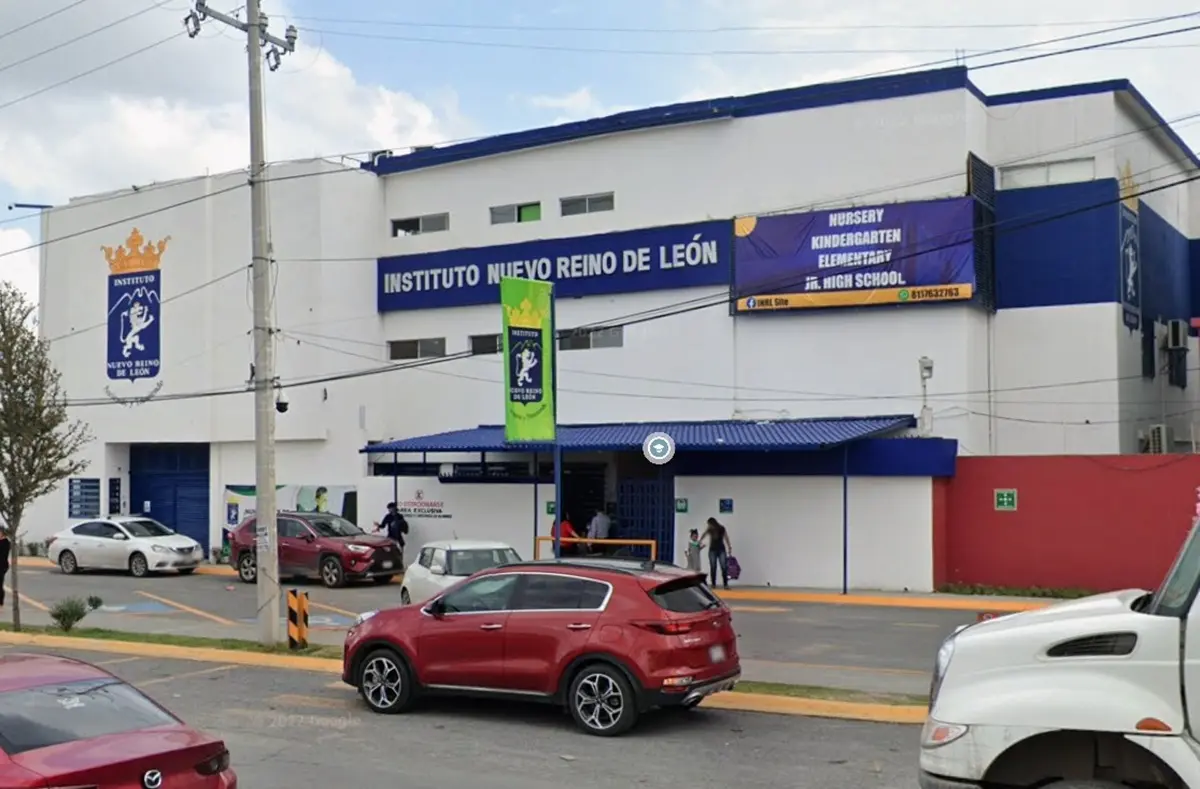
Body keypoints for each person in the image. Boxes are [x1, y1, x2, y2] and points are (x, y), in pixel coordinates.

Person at [701, 517, 732, 589]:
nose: (708, 526)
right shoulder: (710, 529)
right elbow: (704, 534)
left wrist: (729, 547)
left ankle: (725, 584)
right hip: (712, 550)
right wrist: (699, 541)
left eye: (709, 524)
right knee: (713, 567)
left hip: (721, 549)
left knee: (724, 567)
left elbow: (726, 537)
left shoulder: (721, 528)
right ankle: (713, 584)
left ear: (712, 523)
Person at [0, 531, 9, 607]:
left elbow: (3, 555)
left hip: (2, 566)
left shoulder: (5, 542)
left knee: (0, 583)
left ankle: (1, 601)